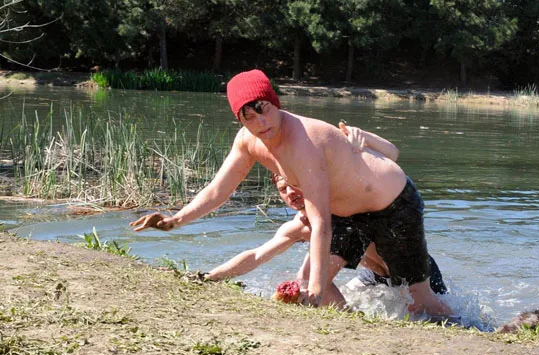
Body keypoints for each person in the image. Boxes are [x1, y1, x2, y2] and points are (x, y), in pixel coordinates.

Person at [131, 69, 451, 316]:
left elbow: (321, 222)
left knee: (420, 300)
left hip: (394, 205)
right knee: (313, 276)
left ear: (276, 103)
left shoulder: (304, 141)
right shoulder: (247, 141)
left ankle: (471, 328)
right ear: (239, 119)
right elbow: (218, 189)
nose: (261, 122)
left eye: (264, 109)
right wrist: (175, 220)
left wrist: (313, 294)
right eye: (249, 116)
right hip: (347, 214)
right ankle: (351, 318)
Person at [205, 169, 448, 305]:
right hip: (372, 277)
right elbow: (257, 255)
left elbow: (313, 274)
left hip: (414, 274)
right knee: (337, 291)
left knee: (432, 318)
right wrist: (209, 277)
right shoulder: (296, 227)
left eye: (293, 185)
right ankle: (352, 319)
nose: (290, 193)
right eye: (282, 189)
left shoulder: (341, 214)